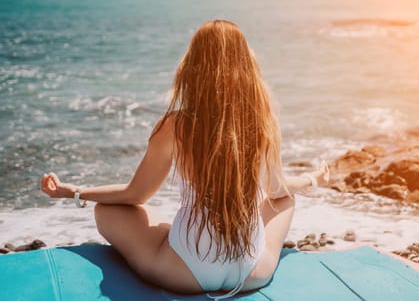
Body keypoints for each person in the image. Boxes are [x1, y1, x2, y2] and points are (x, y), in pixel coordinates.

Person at [41, 20, 329, 299]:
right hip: (251, 273)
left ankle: (182, 236)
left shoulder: (175, 126)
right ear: (246, 65)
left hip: (185, 273)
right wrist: (313, 178)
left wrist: (74, 192)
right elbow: (277, 189)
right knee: (285, 200)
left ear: (193, 66)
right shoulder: (261, 122)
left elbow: (135, 195)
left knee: (106, 210)